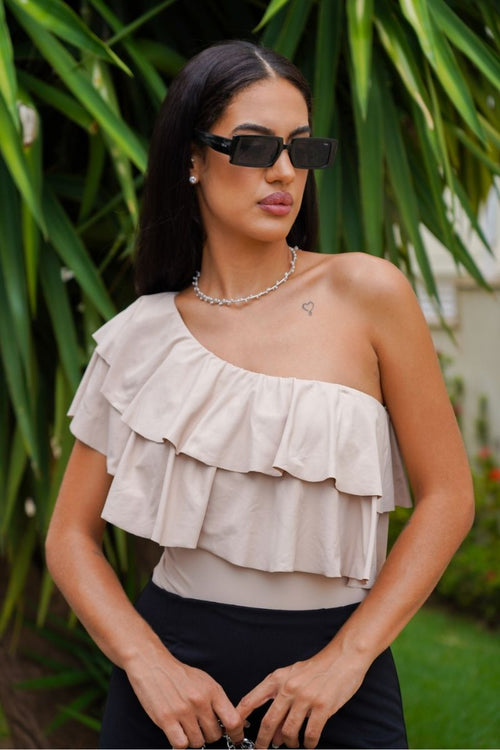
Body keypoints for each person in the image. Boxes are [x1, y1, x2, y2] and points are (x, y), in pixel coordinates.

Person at [45, 40, 474, 750]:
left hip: (336, 683)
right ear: (192, 158)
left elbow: (449, 497)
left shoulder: (367, 292)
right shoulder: (141, 335)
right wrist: (147, 662)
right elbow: (68, 536)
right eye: (253, 147)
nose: (283, 171)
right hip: (171, 689)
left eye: (301, 149)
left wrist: (346, 659)